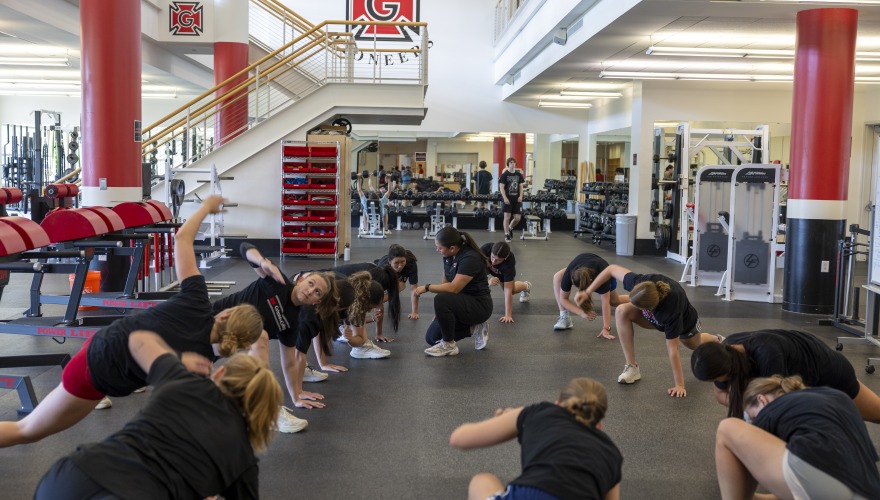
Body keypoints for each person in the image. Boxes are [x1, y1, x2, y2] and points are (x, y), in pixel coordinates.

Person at [0, 195, 264, 447]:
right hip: (98, 369)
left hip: (102, 356)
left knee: (28, 430)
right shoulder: (203, 363)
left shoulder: (196, 301)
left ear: (227, 314)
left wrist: (206, 207)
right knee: (28, 430)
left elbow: (182, 238)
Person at [34, 331, 283, 499]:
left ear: (219, 373)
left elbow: (138, 338)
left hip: (70, 477)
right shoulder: (242, 457)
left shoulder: (183, 381)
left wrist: (177, 358)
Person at [214, 242, 341, 433]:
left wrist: (296, 396)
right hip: (212, 319)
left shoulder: (292, 323)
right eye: (311, 283)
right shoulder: (277, 281)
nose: (310, 291)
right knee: (261, 337)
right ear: (301, 280)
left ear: (317, 301)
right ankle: (269, 408)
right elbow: (243, 247)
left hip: (223, 343)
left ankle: (268, 409)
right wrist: (262, 262)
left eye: (317, 292)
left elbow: (289, 363)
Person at [449, 378, 622, 500]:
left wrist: (511, 418)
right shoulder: (611, 452)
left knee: (482, 481)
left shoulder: (540, 412)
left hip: (528, 495)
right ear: (599, 424)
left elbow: (459, 438)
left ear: (557, 404)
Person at [714, 375, 880, 500]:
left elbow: (748, 457)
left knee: (727, 428)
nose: (753, 424)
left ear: (761, 400)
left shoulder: (771, 411)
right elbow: (796, 485)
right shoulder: (831, 398)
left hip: (826, 482)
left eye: (751, 417)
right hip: (866, 491)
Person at [582, 264, 721, 397]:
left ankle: (717, 339)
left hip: (685, 324)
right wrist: (587, 292)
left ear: (649, 308)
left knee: (695, 344)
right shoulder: (641, 283)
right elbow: (611, 269)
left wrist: (679, 385)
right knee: (621, 310)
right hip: (654, 316)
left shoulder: (671, 309)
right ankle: (632, 367)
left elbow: (673, 350)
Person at [691, 329, 880, 423]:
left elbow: (780, 409)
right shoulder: (724, 355)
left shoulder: (768, 357)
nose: (716, 384)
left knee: (876, 413)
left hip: (828, 371)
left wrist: (750, 407)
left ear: (726, 370)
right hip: (801, 375)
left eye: (716, 379)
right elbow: (720, 395)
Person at [415, 226, 493, 356]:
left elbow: (453, 288)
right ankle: (474, 329)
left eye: (440, 248)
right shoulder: (448, 255)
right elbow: (446, 280)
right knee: (432, 338)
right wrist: (441, 311)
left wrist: (427, 287)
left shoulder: (470, 258)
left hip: (479, 306)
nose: (437, 250)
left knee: (441, 299)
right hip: (460, 304)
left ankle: (449, 344)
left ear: (452, 248)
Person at [552, 253, 628, 340]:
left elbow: (605, 303)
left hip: (604, 271)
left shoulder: (601, 278)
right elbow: (563, 299)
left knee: (614, 301)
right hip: (583, 265)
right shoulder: (570, 273)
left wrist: (606, 328)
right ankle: (564, 317)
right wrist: (580, 312)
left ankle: (636, 299)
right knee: (558, 276)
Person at [323, 261, 401, 343]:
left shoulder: (366, 285)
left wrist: (378, 333)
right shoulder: (351, 294)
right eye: (370, 307)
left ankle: (340, 326)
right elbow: (354, 318)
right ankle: (339, 326)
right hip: (328, 279)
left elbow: (378, 306)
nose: (369, 311)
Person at [480, 241, 531, 323]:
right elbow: (474, 269)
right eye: (492, 257)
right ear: (491, 251)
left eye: (498, 260)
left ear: (505, 257)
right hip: (485, 268)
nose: (493, 261)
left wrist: (508, 315)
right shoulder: (485, 249)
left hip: (501, 273)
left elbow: (508, 290)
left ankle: (526, 286)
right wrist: (487, 281)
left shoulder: (509, 263)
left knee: (512, 290)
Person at [374, 244, 421, 320]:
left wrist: (414, 312)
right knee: (377, 298)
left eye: (403, 261)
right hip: (383, 270)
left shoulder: (410, 263)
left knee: (401, 286)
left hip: (400, 274)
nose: (400, 266)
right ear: (390, 262)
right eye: (396, 263)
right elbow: (378, 293)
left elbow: (414, 289)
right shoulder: (383, 266)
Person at [499, 156, 524, 243]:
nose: (513, 164)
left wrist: (521, 196)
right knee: (507, 217)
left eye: (514, 163)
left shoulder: (518, 175)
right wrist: (505, 198)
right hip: (507, 199)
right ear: (508, 164)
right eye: (511, 163)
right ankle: (506, 234)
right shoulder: (505, 175)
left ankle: (510, 227)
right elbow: (501, 187)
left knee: (517, 218)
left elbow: (521, 187)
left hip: (516, 200)